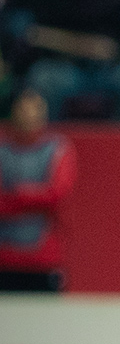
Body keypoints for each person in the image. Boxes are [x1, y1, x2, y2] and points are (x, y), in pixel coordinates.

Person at [0, 89, 76, 291]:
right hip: (4, 259)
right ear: (13, 112)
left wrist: (16, 194)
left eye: (37, 110)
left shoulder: (58, 148)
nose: (30, 116)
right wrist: (36, 196)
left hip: (44, 258)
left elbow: (57, 193)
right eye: (25, 110)